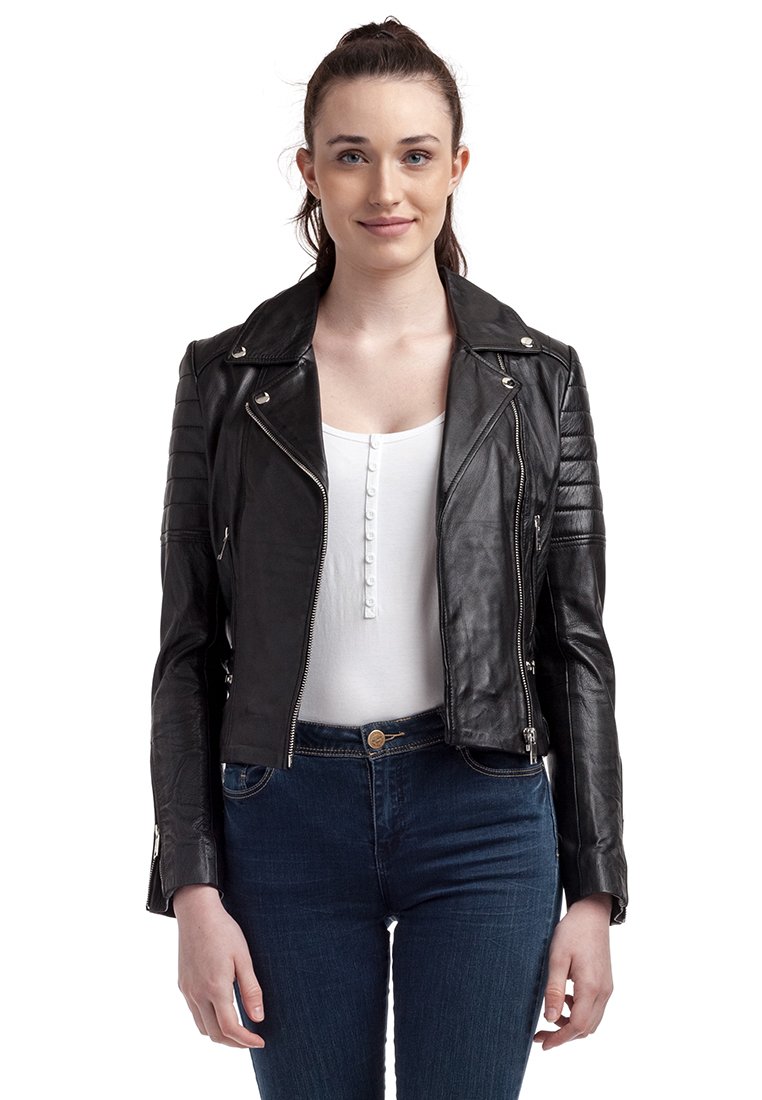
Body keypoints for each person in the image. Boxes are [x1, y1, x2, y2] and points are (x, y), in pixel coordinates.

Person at [146, 17, 628, 1100]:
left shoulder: (537, 378)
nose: (385, 189)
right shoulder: (226, 377)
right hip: (282, 812)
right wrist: (191, 886)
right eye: (352, 155)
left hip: (483, 811)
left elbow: (575, 644)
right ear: (310, 171)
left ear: (458, 166)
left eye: (415, 154)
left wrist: (594, 890)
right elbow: (186, 651)